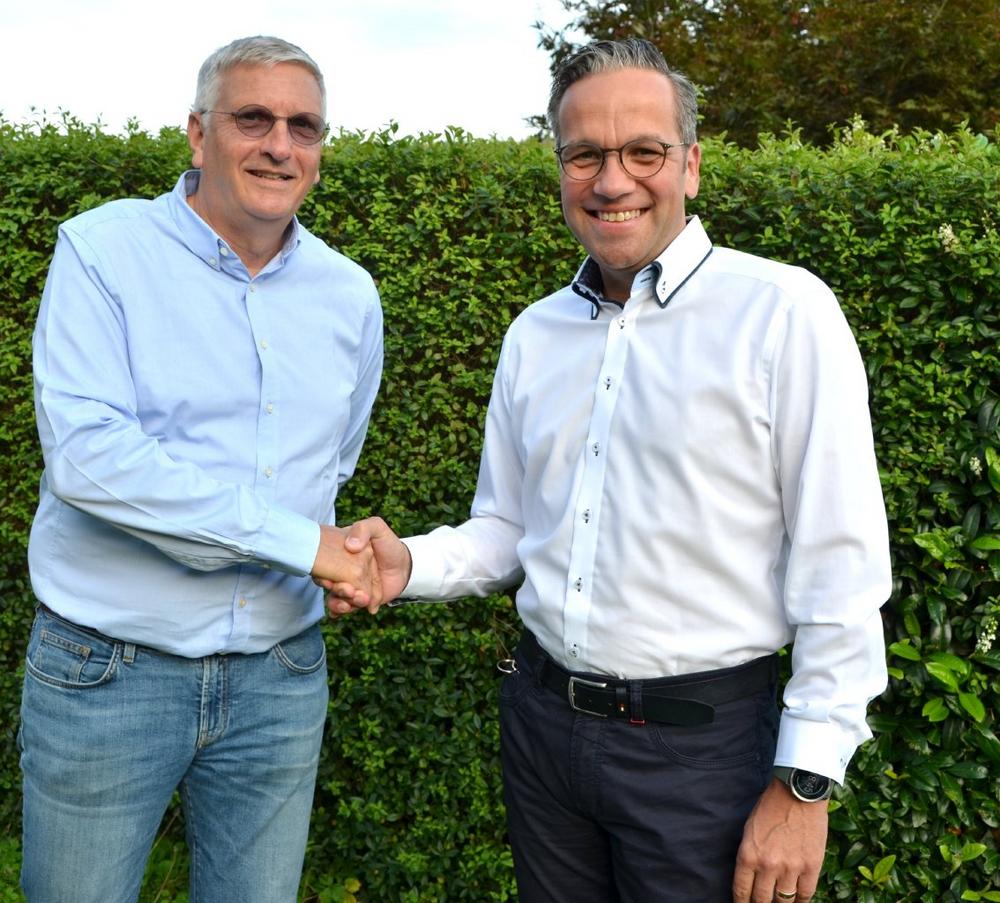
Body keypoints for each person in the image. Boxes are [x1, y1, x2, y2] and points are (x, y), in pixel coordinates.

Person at [328, 38, 891, 903]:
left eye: (644, 152)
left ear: (691, 165)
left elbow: (841, 563)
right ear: (561, 169)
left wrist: (805, 781)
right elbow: (509, 527)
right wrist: (409, 563)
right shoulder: (534, 335)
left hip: (700, 755)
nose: (611, 179)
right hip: (544, 735)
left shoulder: (784, 314)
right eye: (584, 154)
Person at [19, 35, 383, 903]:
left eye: (303, 127)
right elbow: (89, 459)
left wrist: (312, 542)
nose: (280, 145)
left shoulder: (349, 294)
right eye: (252, 118)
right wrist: (301, 543)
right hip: (109, 670)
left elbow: (330, 463)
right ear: (197, 132)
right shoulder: (103, 251)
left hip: (279, 677)